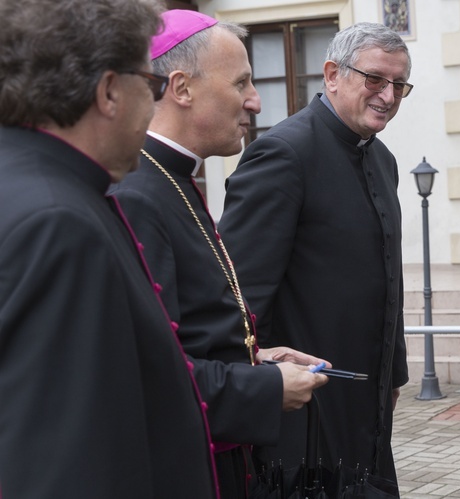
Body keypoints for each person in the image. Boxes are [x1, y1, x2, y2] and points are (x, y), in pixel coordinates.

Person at [0, 1, 219, 497]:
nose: (155, 104)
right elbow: (65, 460)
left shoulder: (35, 187)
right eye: (152, 86)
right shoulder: (58, 223)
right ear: (108, 92)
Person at [108, 10, 330, 498]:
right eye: (242, 83)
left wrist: (257, 361)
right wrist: (266, 389)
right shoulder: (138, 195)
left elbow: (194, 333)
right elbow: (148, 372)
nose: (255, 101)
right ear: (182, 88)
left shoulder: (175, 179)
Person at [219, 22, 413, 493]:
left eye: (399, 85)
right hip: (303, 410)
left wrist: (394, 375)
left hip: (368, 404)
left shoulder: (383, 160)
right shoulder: (283, 154)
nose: (388, 96)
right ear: (332, 74)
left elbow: (388, 277)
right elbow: (237, 297)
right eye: (375, 79)